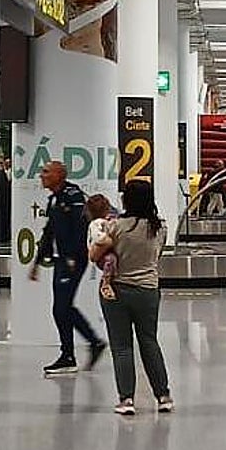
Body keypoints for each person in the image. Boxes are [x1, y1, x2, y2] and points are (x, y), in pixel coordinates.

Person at [88, 178, 172, 416]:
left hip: (117, 291)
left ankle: (126, 400)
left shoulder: (115, 227)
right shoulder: (160, 227)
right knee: (149, 341)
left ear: (127, 199)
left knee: (122, 346)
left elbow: (95, 255)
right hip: (148, 290)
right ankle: (163, 395)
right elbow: (157, 256)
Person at [29, 161, 107, 377]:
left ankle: (85, 346)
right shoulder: (54, 198)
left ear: (59, 175)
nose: (41, 175)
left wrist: (73, 256)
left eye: (46, 172)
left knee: (62, 307)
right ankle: (75, 351)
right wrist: (37, 263)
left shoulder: (72, 196)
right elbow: (50, 232)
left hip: (72, 260)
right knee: (60, 308)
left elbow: (80, 228)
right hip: (61, 260)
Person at [86, 194, 118, 300]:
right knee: (111, 260)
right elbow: (99, 240)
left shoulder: (106, 221)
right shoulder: (95, 224)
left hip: (106, 252)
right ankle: (106, 283)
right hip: (102, 256)